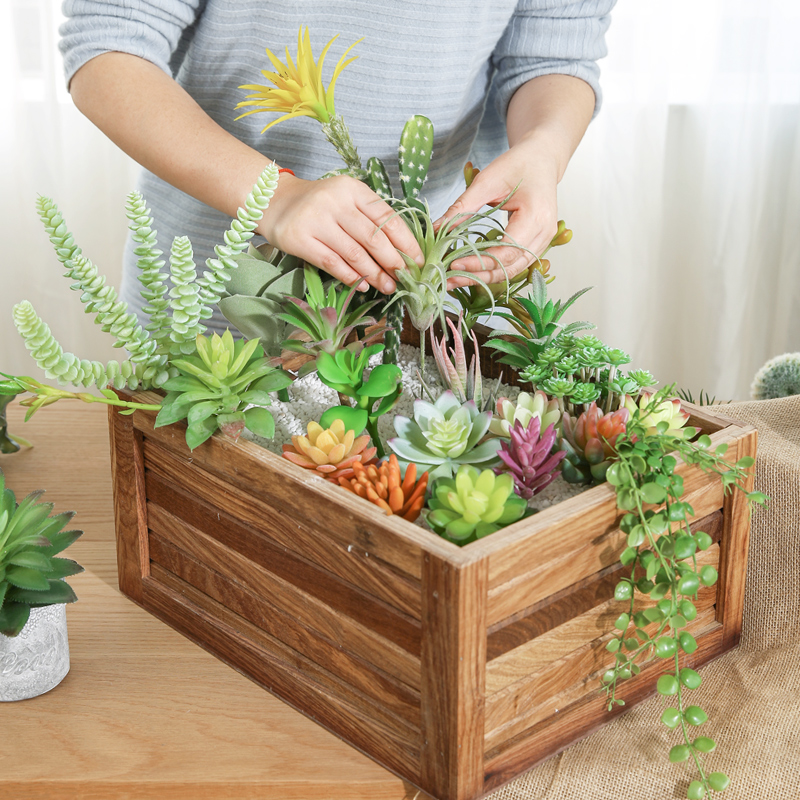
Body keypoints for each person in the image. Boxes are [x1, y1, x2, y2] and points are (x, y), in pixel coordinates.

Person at [60, 1, 615, 333]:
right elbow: (110, 45)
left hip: (437, 308)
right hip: (214, 307)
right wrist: (272, 196)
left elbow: (554, 57)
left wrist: (544, 148)